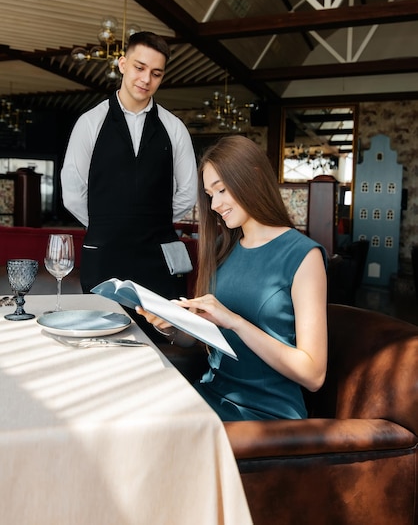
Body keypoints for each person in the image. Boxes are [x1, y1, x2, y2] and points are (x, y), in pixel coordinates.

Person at [136, 135, 328, 421]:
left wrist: (235, 322)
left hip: (265, 412)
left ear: (252, 177)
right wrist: (172, 327)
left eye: (221, 190)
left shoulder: (303, 255)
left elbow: (313, 374)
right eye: (210, 195)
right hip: (211, 394)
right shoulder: (222, 249)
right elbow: (201, 338)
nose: (214, 204)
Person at [61, 31, 198, 334]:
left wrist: (151, 220)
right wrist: (108, 223)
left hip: (158, 259)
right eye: (139, 67)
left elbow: (188, 193)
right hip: (104, 256)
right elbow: (72, 192)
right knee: (102, 340)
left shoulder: (174, 128)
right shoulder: (90, 122)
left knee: (159, 340)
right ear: (122, 64)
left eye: (156, 73)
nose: (146, 79)